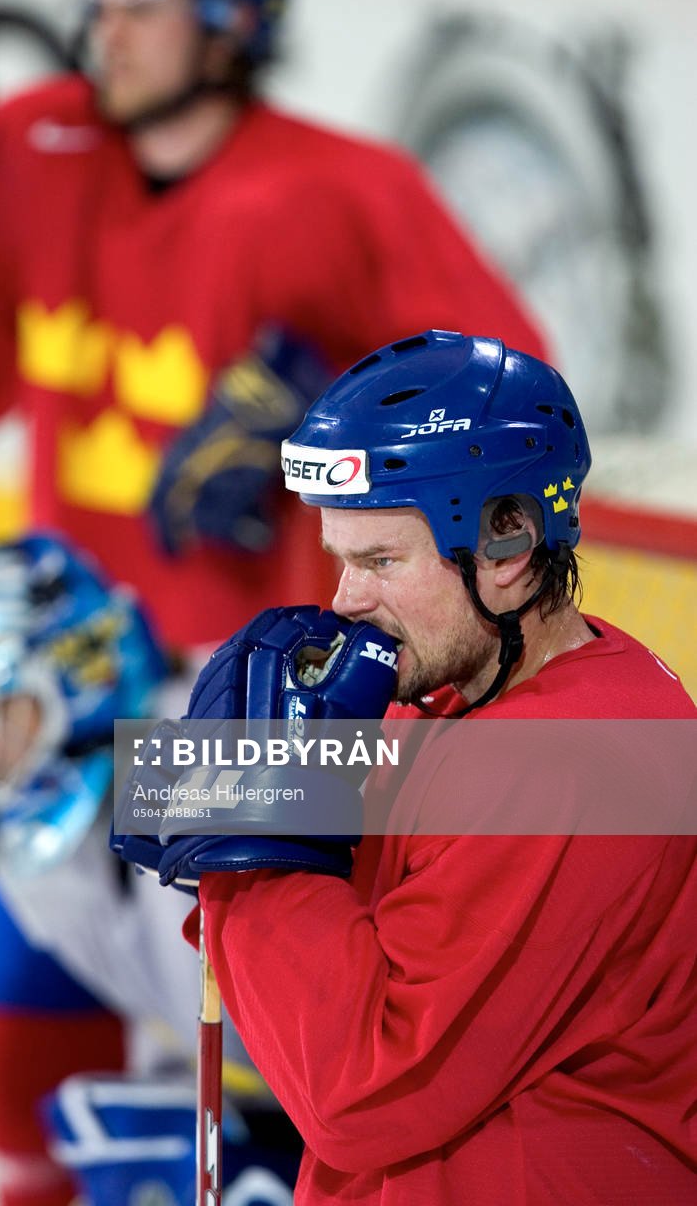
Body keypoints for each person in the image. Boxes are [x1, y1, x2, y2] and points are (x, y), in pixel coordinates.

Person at [0, 0, 549, 655]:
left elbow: (513, 395)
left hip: (275, 660)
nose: (109, 30)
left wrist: (341, 425)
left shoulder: (344, 192)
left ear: (235, 20)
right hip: (74, 650)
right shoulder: (32, 146)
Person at [115, 329, 697, 1204]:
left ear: (508, 545)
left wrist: (254, 847)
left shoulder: (576, 760)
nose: (346, 599)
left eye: (381, 561)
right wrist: (213, 790)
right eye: (340, 558)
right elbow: (179, 831)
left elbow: (360, 1092)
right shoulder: (446, 695)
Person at [0, 531, 300, 1206]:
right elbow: (18, 1073)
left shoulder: (240, 738)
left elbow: (477, 787)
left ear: (78, 683)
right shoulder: (39, 842)